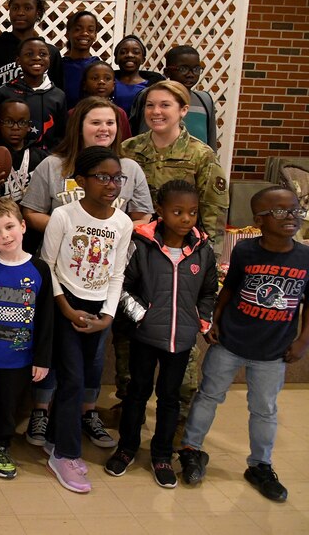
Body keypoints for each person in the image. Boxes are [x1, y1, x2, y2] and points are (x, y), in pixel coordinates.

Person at [20, 97, 152, 448]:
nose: (104, 129)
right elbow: (32, 214)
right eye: (95, 122)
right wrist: (76, 226)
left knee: (91, 359)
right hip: (63, 280)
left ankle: (86, 412)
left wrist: (108, 312)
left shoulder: (130, 173)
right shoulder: (53, 168)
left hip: (104, 279)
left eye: (110, 122)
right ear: (79, 124)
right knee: (56, 352)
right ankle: (43, 413)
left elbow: (142, 217)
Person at [178, 186, 309, 502]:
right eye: (280, 211)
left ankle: (260, 464)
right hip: (230, 342)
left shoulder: (306, 257)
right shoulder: (246, 251)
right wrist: (215, 321)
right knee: (208, 395)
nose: (291, 216)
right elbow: (229, 289)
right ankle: (191, 450)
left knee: (264, 409)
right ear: (259, 219)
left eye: (295, 209)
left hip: (273, 351)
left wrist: (303, 341)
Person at [105, 180, 218, 488]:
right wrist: (142, 316)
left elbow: (209, 290)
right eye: (178, 211)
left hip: (181, 341)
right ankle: (126, 448)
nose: (186, 219)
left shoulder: (203, 250)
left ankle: (162, 455)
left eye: (192, 212)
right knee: (137, 393)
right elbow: (122, 286)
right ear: (160, 211)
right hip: (144, 337)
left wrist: (201, 319)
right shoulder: (141, 245)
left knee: (169, 399)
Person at [42, 146, 134, 494]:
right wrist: (65, 309)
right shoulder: (63, 216)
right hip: (64, 303)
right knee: (73, 380)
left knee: (83, 377)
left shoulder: (122, 222)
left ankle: (54, 438)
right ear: (81, 180)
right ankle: (66, 454)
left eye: (117, 178)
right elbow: (47, 265)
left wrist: (107, 316)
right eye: (103, 177)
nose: (111, 184)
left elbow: (116, 273)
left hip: (98, 309)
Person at [0, 198, 52, 480]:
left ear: (23, 226)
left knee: (7, 407)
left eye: (9, 227)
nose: (4, 235)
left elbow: (46, 319)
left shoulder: (40, 269)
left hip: (19, 358)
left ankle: (1, 445)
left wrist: (42, 359)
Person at [122, 81, 228, 256]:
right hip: (134, 245)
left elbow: (214, 211)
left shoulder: (201, 155)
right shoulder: (128, 149)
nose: (155, 111)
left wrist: (210, 258)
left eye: (165, 105)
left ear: (183, 110)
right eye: (150, 105)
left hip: (180, 247)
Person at [0, 0, 63, 113]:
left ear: (38, 13)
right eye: (15, 8)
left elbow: (58, 94)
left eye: (27, 8)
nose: (20, 13)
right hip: (1, 123)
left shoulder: (51, 53)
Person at [129, 45, 218, 150]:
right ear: (167, 72)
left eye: (196, 69)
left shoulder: (204, 100)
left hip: (196, 163)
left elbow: (211, 142)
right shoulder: (149, 96)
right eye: (183, 69)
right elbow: (139, 135)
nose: (190, 74)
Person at [0, 38, 66, 151]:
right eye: (29, 54)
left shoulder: (58, 95)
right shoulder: (6, 92)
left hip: (47, 159)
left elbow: (61, 134)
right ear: (18, 60)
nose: (37, 58)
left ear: (49, 59)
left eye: (43, 54)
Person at [0, 98, 49, 203]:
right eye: (9, 122)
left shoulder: (40, 158)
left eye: (22, 122)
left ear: (29, 126)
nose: (15, 127)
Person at [78, 60, 132, 139]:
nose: (101, 82)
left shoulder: (120, 113)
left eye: (107, 78)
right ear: (84, 85)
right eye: (95, 78)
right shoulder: (75, 113)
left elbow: (126, 145)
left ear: (113, 85)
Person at [112, 35, 163, 115]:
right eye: (123, 52)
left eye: (135, 52)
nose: (129, 55)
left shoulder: (152, 85)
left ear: (143, 59)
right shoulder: (108, 83)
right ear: (116, 59)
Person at [61, 11, 101, 110]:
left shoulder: (98, 67)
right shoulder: (59, 65)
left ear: (95, 35)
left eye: (90, 30)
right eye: (78, 29)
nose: (85, 33)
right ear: (68, 33)